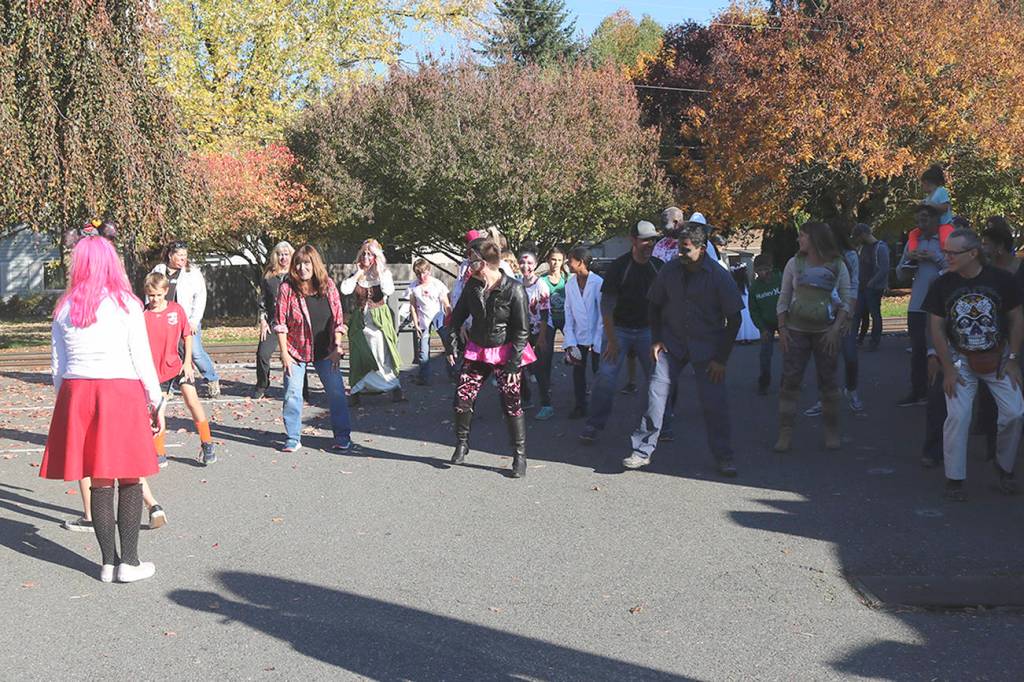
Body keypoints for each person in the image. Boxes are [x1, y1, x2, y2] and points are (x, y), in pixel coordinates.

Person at [41, 221, 163, 583]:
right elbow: (141, 358)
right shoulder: (127, 304)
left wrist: (67, 403)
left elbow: (57, 368)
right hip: (120, 392)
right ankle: (131, 562)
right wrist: (156, 399)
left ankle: (108, 563)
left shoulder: (64, 308)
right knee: (128, 477)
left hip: (78, 393)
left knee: (99, 479)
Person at [623, 222, 744, 476]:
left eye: (686, 250)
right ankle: (642, 451)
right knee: (654, 393)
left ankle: (724, 456)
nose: (680, 254)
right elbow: (654, 305)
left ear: (701, 249)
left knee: (714, 403)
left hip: (707, 347)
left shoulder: (719, 276)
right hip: (672, 343)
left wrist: (721, 359)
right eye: (679, 248)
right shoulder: (669, 271)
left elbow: (734, 320)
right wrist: (656, 339)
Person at [923, 228, 1023, 500]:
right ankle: (954, 480)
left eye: (952, 253)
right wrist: (949, 368)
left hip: (998, 356)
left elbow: (1016, 318)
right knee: (958, 415)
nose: (946, 257)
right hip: (961, 358)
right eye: (945, 252)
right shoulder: (942, 284)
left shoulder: (1002, 280)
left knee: (1015, 413)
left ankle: (1004, 468)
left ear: (973, 253)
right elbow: (936, 327)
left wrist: (1013, 358)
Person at [447, 238, 535, 478]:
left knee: (511, 403)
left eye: (471, 259)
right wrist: (452, 346)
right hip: (478, 349)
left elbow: (522, 330)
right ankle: (462, 443)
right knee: (463, 395)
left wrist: (514, 364)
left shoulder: (514, 288)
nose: (467, 264)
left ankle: (519, 455)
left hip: (506, 352)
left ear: (482, 262)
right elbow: (455, 319)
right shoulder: (472, 286)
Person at [579, 221, 664, 444]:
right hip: (619, 329)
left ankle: (665, 422)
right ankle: (594, 424)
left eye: (653, 239)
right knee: (606, 377)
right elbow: (606, 306)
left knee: (658, 377)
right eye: (645, 239)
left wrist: (661, 336)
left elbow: (667, 303)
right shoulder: (619, 267)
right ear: (633, 240)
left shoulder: (658, 266)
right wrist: (612, 341)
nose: (650, 244)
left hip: (648, 330)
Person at [773, 222, 853, 452]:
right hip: (796, 330)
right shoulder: (794, 263)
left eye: (802, 236)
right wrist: (783, 328)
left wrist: (835, 329)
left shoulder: (838, 265)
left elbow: (846, 299)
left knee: (829, 382)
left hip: (826, 332)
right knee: (789, 381)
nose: (798, 240)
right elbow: (784, 297)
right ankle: (785, 432)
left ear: (816, 239)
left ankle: (831, 430)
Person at [274, 244, 354, 453]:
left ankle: (342, 436)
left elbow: (338, 320)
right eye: (298, 263)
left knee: (336, 392)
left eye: (306, 263)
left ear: (314, 264)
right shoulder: (287, 288)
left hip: (326, 350)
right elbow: (280, 323)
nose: (302, 268)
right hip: (295, 350)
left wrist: (337, 346)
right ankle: (293, 437)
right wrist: (284, 353)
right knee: (293, 393)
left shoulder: (328, 286)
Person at [144, 273, 217, 466]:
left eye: (159, 295)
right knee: (157, 412)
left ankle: (207, 443)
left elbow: (187, 335)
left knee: (192, 402)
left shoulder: (176, 310)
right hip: (156, 372)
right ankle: (159, 453)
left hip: (178, 366)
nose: (155, 299)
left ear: (166, 292)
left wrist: (187, 362)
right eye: (151, 295)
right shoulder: (142, 315)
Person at [895, 203, 954, 406]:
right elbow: (899, 274)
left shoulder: (947, 241)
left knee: (940, 350)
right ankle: (918, 391)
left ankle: (942, 391)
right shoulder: (913, 242)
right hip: (917, 305)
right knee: (918, 350)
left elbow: (954, 268)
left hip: (941, 306)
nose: (921, 224)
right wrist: (908, 264)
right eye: (919, 220)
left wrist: (935, 257)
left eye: (925, 219)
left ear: (936, 220)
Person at [805, 223, 862, 414]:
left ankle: (851, 390)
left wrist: (849, 314)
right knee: (826, 359)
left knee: (850, 355)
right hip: (824, 312)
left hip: (845, 310)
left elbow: (854, 285)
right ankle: (825, 397)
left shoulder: (850, 256)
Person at [151, 240, 220, 397]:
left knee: (195, 352)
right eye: (180, 255)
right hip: (165, 320)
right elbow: (151, 290)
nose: (183, 258)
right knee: (170, 351)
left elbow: (201, 296)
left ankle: (212, 379)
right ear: (170, 255)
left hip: (187, 320)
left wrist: (194, 320)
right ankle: (172, 383)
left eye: (185, 255)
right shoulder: (159, 270)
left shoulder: (192, 272)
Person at [341, 239, 405, 403]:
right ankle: (356, 391)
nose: (366, 257)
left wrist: (380, 271)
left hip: (379, 321)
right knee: (359, 356)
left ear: (376, 257)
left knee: (382, 356)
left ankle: (393, 387)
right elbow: (345, 289)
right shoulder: (356, 275)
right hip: (360, 321)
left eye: (370, 254)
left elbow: (388, 290)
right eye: (364, 254)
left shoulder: (384, 274)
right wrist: (357, 274)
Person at [562, 246, 603, 419]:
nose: (568, 263)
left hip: (596, 335)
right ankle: (580, 405)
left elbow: (602, 314)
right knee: (578, 373)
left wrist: (597, 341)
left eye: (570, 259)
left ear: (580, 262)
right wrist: (570, 341)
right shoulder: (570, 284)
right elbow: (568, 312)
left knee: (598, 372)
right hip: (578, 336)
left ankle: (599, 407)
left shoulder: (598, 282)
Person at [254, 241, 294, 399]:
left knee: (295, 356)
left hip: (292, 323)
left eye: (286, 254)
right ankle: (262, 385)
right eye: (280, 254)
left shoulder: (296, 274)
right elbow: (262, 300)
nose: (283, 257)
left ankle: (301, 388)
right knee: (262, 354)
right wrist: (263, 320)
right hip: (273, 321)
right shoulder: (269, 275)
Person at [407, 258, 453, 386]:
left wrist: (450, 318)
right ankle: (424, 377)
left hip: (438, 317)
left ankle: (453, 373)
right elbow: (413, 306)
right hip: (423, 320)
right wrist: (416, 324)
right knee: (423, 350)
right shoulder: (414, 286)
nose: (422, 276)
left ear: (429, 271)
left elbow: (446, 303)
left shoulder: (436, 284)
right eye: (418, 274)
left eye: (424, 273)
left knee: (448, 345)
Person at [517, 251, 552, 416]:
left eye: (530, 263)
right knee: (518, 366)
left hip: (538, 331)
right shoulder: (517, 283)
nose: (526, 266)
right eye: (522, 262)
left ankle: (546, 405)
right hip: (521, 332)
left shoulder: (541, 285)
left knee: (538, 369)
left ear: (536, 264)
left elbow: (545, 313)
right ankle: (526, 398)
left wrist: (542, 337)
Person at [536, 246, 567, 419]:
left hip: (565, 318)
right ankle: (545, 391)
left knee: (576, 352)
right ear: (548, 261)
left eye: (559, 260)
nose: (556, 263)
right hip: (548, 320)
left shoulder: (568, 278)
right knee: (544, 355)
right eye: (553, 259)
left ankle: (581, 392)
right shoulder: (542, 280)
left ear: (564, 261)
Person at [749, 253, 782, 395]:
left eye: (765, 269)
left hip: (783, 320)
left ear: (771, 268)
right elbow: (754, 310)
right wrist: (762, 329)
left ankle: (789, 382)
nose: (762, 273)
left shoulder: (780, 279)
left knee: (790, 353)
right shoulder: (755, 288)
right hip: (766, 324)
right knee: (765, 355)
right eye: (758, 271)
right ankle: (764, 381)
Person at [853, 223, 890, 351]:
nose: (857, 240)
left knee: (874, 314)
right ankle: (856, 339)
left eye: (857, 237)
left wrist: (872, 282)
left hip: (874, 287)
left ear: (863, 234)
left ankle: (874, 341)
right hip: (862, 286)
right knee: (858, 313)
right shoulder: (862, 248)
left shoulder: (880, 247)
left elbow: (884, 268)